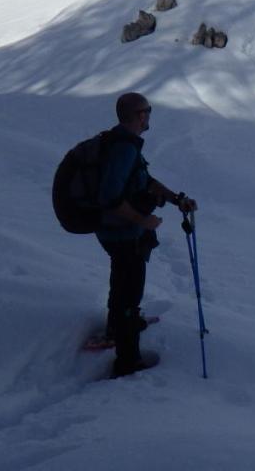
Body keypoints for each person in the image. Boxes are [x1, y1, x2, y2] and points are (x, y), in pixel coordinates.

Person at [96, 92, 197, 377]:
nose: (150, 115)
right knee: (130, 290)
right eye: (147, 110)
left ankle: (116, 327)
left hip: (115, 231)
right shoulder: (124, 148)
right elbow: (110, 197)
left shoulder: (122, 142)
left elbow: (144, 181)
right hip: (120, 231)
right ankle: (127, 361)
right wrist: (144, 220)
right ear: (139, 115)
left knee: (122, 279)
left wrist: (177, 199)